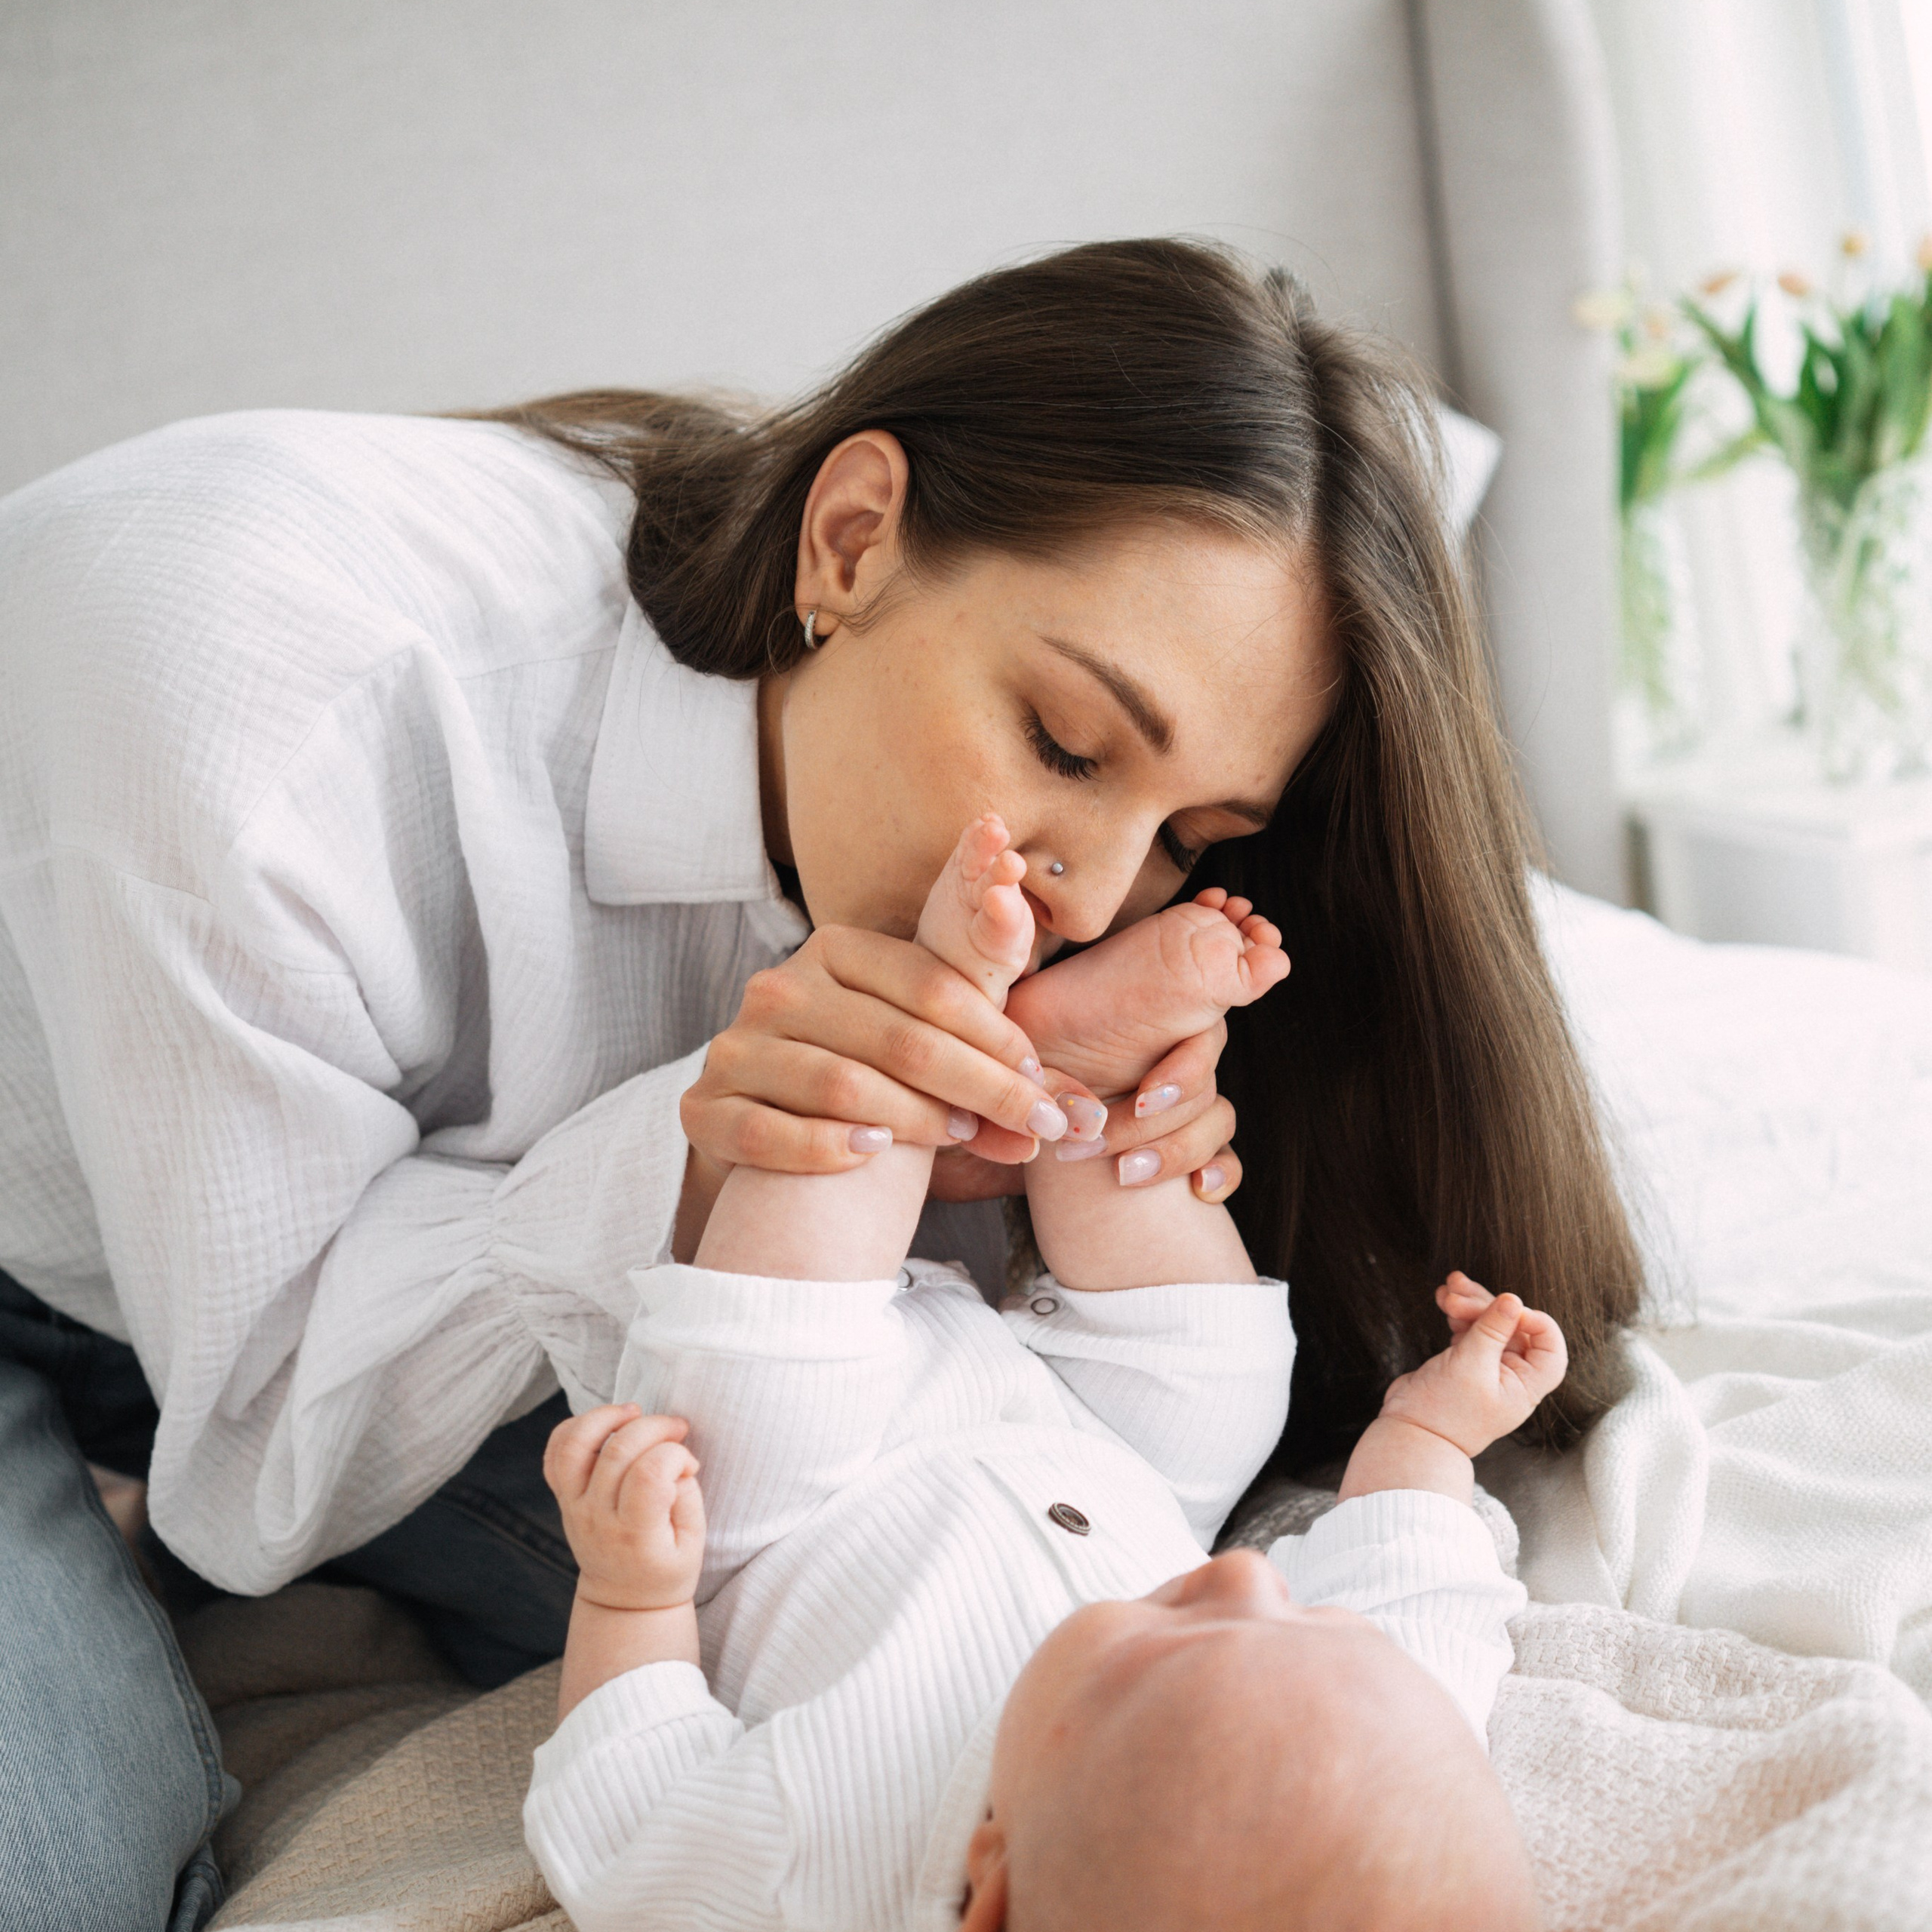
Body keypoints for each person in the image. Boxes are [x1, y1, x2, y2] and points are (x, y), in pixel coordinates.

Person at [0, 238, 1639, 1929]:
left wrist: (1104, 1148)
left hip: (399, 1309)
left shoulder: (964, 820)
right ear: (849, 537)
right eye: (1068, 748)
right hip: (182, 1316)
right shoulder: (254, 705)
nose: (1089, 891)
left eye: (1192, 842)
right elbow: (261, 1448)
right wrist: (726, 1126)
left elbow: (940, 1407)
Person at [524, 815, 1557, 1930]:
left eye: (1178, 1649)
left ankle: (928, 1026)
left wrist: (632, 1596)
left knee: (769, 1353)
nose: (1253, 1582)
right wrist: (1432, 1437)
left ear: (994, 1884)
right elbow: (1421, 1599)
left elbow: (623, 1814)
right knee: (1218, 1377)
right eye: (1311, 1624)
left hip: (803, 1504)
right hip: (1121, 1466)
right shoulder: (1379, 1764)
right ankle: (1076, 1082)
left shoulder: (806, 1860)